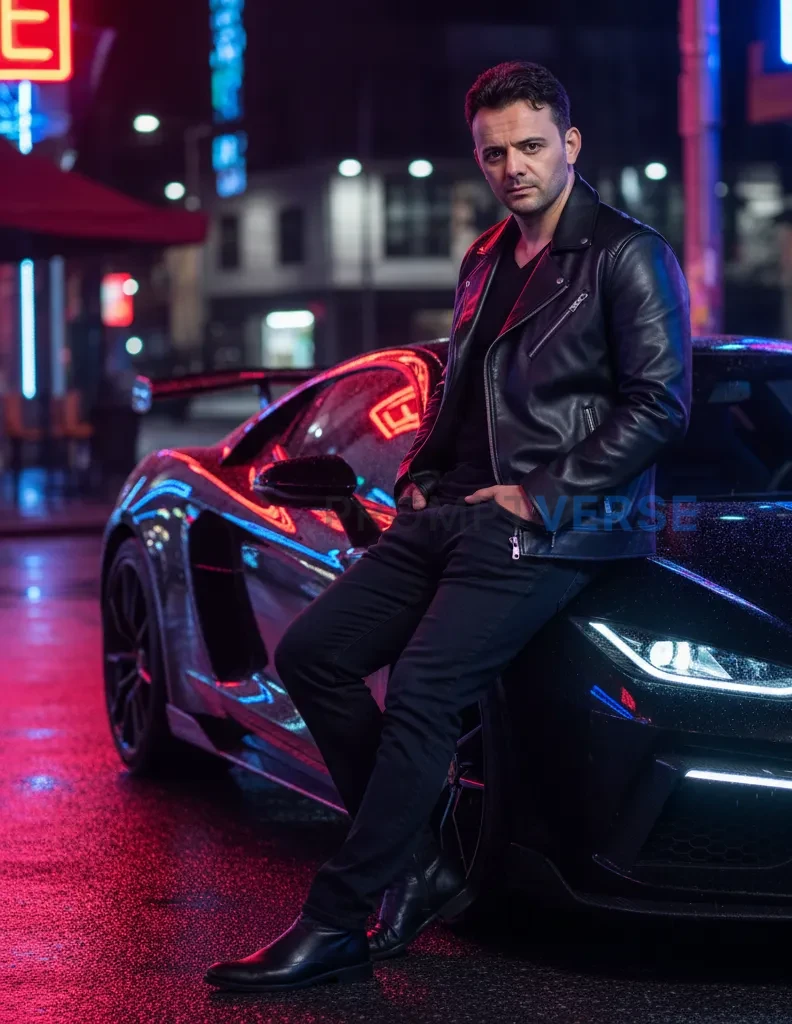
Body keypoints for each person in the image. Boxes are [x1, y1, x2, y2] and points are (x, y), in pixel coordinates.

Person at [204, 60, 691, 992]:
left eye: (532, 146)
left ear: (571, 145)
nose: (514, 166)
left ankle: (338, 918)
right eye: (495, 151)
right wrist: (422, 478)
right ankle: (421, 859)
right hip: (450, 514)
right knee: (314, 654)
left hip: (550, 524)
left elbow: (661, 403)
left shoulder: (627, 255)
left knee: (424, 690)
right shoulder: (483, 259)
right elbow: (462, 391)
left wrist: (541, 492)